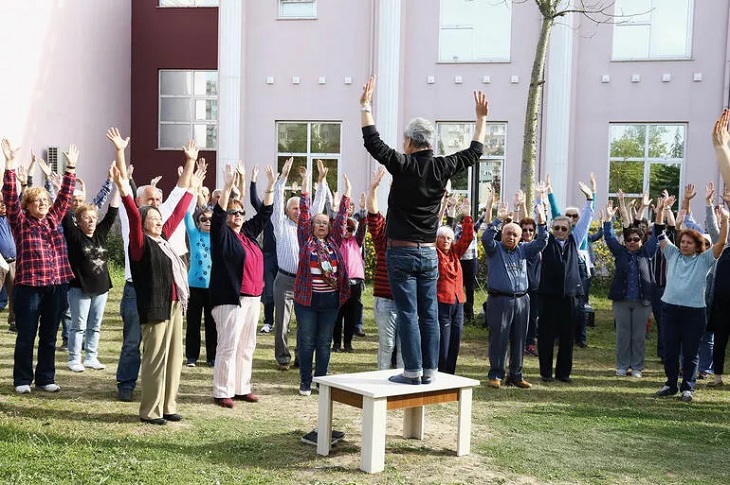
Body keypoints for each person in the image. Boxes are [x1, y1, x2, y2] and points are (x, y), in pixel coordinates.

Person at [360, 75, 489, 385]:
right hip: (430, 253)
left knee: (408, 312)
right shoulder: (442, 167)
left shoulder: (402, 164)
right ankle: (430, 371)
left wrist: (365, 105)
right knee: (428, 312)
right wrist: (481, 119)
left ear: (408, 141)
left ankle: (413, 371)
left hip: (401, 252)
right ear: (431, 142)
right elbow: (474, 152)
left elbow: (373, 142)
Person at [107, 128, 198, 402]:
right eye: (151, 200)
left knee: (161, 347)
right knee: (133, 343)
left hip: (162, 294)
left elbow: (181, 194)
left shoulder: (162, 224)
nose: (157, 204)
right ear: (139, 203)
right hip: (136, 290)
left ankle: (159, 394)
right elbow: (123, 181)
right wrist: (120, 151)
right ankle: (126, 385)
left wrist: (191, 162)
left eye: (159, 200)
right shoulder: (131, 218)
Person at [2, 140, 78, 394]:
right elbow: (11, 197)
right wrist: (10, 165)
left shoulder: (54, 218)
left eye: (45, 200)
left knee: (49, 335)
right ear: (28, 206)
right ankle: (22, 379)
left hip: (56, 285)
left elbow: (65, 197)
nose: (43, 203)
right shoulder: (20, 222)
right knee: (26, 335)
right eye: (38, 201)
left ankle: (45, 378)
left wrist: (70, 169)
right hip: (30, 287)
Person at [209, 162, 274, 408]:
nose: (237, 216)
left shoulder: (246, 233)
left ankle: (241, 387)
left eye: (240, 213)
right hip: (230, 298)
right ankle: (222, 390)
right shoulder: (221, 234)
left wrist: (270, 187)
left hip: (253, 297)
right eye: (233, 213)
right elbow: (216, 216)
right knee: (228, 344)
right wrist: (227, 187)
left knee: (247, 344)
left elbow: (266, 215)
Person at [654, 193, 726, 402]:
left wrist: (725, 220)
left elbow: (721, 242)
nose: (684, 245)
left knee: (691, 353)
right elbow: (659, 233)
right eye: (682, 241)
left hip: (694, 312)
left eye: (688, 242)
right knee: (670, 350)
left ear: (697, 245)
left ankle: (688, 388)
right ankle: (670, 384)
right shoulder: (673, 253)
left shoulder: (705, 260)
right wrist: (660, 211)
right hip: (669, 309)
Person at [294, 169, 351, 396]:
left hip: (330, 300)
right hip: (307, 300)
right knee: (307, 342)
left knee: (324, 341)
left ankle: (321, 381)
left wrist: (346, 194)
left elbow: (342, 220)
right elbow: (304, 214)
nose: (321, 226)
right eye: (317, 223)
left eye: (325, 223)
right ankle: (305, 381)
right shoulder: (306, 241)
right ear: (311, 226)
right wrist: (308, 184)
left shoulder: (334, 242)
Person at [483, 198, 548, 388]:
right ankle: (496, 374)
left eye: (515, 235)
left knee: (519, 338)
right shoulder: (494, 250)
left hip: (522, 300)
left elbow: (543, 241)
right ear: (502, 234)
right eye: (508, 233)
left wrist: (542, 219)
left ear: (521, 238)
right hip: (499, 299)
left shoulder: (524, 250)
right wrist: (498, 220)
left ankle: (516, 375)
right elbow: (486, 238)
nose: (511, 237)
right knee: (499, 338)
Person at [271, 158, 327, 371]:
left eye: (299, 207)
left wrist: (321, 181)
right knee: (282, 322)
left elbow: (318, 205)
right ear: (287, 211)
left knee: (305, 323)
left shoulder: (308, 226)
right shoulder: (280, 224)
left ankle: (301, 357)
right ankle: (282, 358)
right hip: (284, 279)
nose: (297, 210)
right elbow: (277, 201)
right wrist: (282, 178)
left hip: (305, 280)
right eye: (293, 207)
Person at [62, 167, 120, 372]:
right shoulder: (74, 235)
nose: (91, 221)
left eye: (93, 218)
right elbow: (64, 213)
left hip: (101, 288)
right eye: (86, 218)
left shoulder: (101, 232)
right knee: (78, 326)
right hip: (79, 288)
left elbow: (112, 212)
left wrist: (119, 184)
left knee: (95, 326)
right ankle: (74, 359)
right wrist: (61, 187)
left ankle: (91, 357)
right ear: (78, 221)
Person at [538, 181, 594, 383]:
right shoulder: (546, 241)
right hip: (549, 295)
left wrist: (590, 199)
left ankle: (563, 373)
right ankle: (545, 373)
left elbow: (586, 221)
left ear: (570, 230)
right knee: (546, 336)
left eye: (564, 228)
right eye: (557, 228)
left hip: (570, 296)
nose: (560, 231)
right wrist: (541, 198)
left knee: (567, 336)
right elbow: (541, 220)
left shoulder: (575, 240)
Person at [602, 202, 659, 378]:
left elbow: (657, 235)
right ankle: (621, 365)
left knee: (639, 336)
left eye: (636, 239)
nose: (632, 242)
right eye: (629, 240)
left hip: (643, 301)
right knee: (623, 335)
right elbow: (609, 237)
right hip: (622, 300)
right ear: (625, 242)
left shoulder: (647, 253)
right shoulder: (620, 253)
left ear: (642, 241)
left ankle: (637, 367)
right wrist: (608, 220)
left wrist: (660, 213)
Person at [366, 167, 403, 369]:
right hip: (386, 299)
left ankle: (405, 384)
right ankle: (383, 380)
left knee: (404, 345)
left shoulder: (409, 237)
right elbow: (373, 213)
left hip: (407, 299)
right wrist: (373, 189)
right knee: (387, 344)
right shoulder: (383, 238)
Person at [435, 198, 474, 374]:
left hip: (458, 301)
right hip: (442, 301)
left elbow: (467, 237)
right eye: (442, 238)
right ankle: (440, 371)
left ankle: (450, 372)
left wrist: (467, 216)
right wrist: (445, 207)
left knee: (456, 339)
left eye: (449, 238)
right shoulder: (433, 253)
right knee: (443, 339)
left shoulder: (455, 252)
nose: (446, 241)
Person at [183, 198, 215, 368]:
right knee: (193, 323)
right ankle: (191, 357)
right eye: (204, 219)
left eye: (210, 219)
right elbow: (186, 213)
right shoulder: (194, 234)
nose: (207, 222)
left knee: (212, 324)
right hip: (194, 286)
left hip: (213, 287)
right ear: (198, 222)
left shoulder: (219, 236)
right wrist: (193, 189)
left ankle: (212, 357)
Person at [332, 212, 366, 353]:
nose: (347, 232)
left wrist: (363, 211)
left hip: (355, 281)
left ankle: (348, 343)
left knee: (351, 314)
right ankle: (336, 343)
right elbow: (335, 225)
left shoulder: (356, 241)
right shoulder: (336, 241)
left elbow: (363, 229)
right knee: (338, 314)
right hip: (339, 282)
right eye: (345, 229)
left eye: (350, 229)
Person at [249, 166, 278, 335]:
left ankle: (284, 321)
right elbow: (254, 200)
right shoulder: (267, 212)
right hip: (267, 256)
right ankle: (268, 321)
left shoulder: (287, 216)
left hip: (283, 258)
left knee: (284, 293)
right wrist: (253, 180)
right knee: (268, 293)